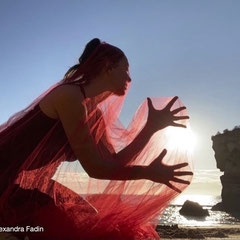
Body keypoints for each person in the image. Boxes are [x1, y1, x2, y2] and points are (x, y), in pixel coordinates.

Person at [0, 38, 193, 240]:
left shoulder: (94, 114)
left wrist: (150, 128)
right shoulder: (69, 96)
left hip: (10, 184)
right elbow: (95, 168)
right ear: (107, 67)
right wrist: (146, 172)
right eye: (125, 69)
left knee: (87, 219)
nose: (129, 78)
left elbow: (113, 163)